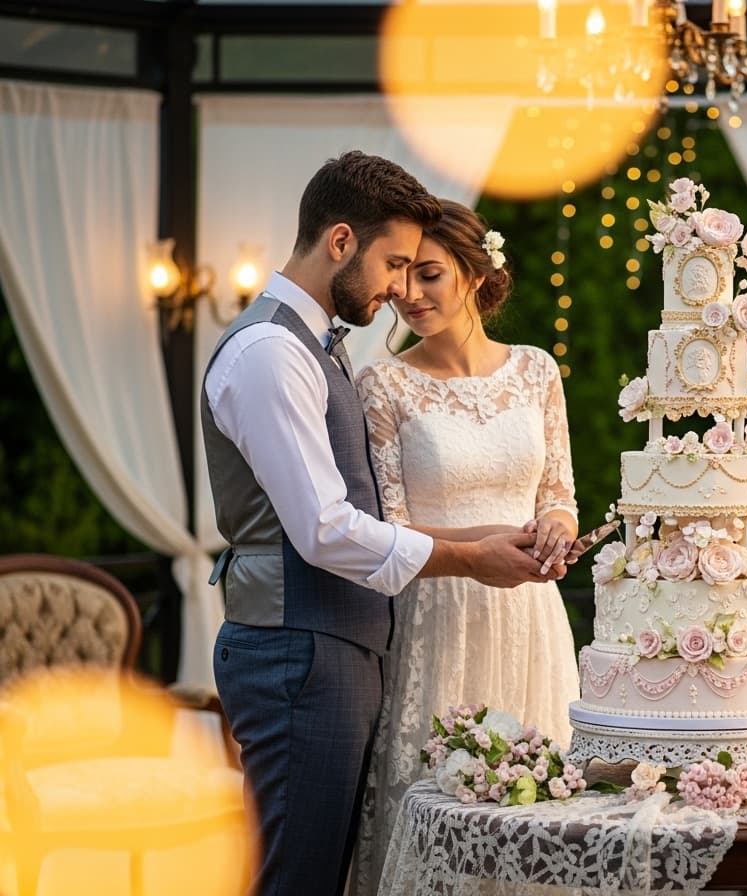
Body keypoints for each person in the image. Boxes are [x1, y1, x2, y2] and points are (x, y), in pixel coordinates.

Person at [201, 152, 562, 896]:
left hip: (333, 645)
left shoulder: (310, 346)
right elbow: (326, 530)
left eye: (419, 269)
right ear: (341, 242)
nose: (400, 287)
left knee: (317, 872)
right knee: (298, 877)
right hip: (297, 650)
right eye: (395, 264)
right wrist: (471, 559)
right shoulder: (272, 352)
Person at [350, 200, 581, 894]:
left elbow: (558, 492)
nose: (411, 296)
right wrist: (486, 545)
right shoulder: (383, 383)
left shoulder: (537, 371)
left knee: (542, 815)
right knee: (441, 810)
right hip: (437, 618)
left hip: (531, 621)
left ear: (476, 274)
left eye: (430, 276)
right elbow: (389, 527)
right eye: (404, 279)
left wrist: (558, 529)